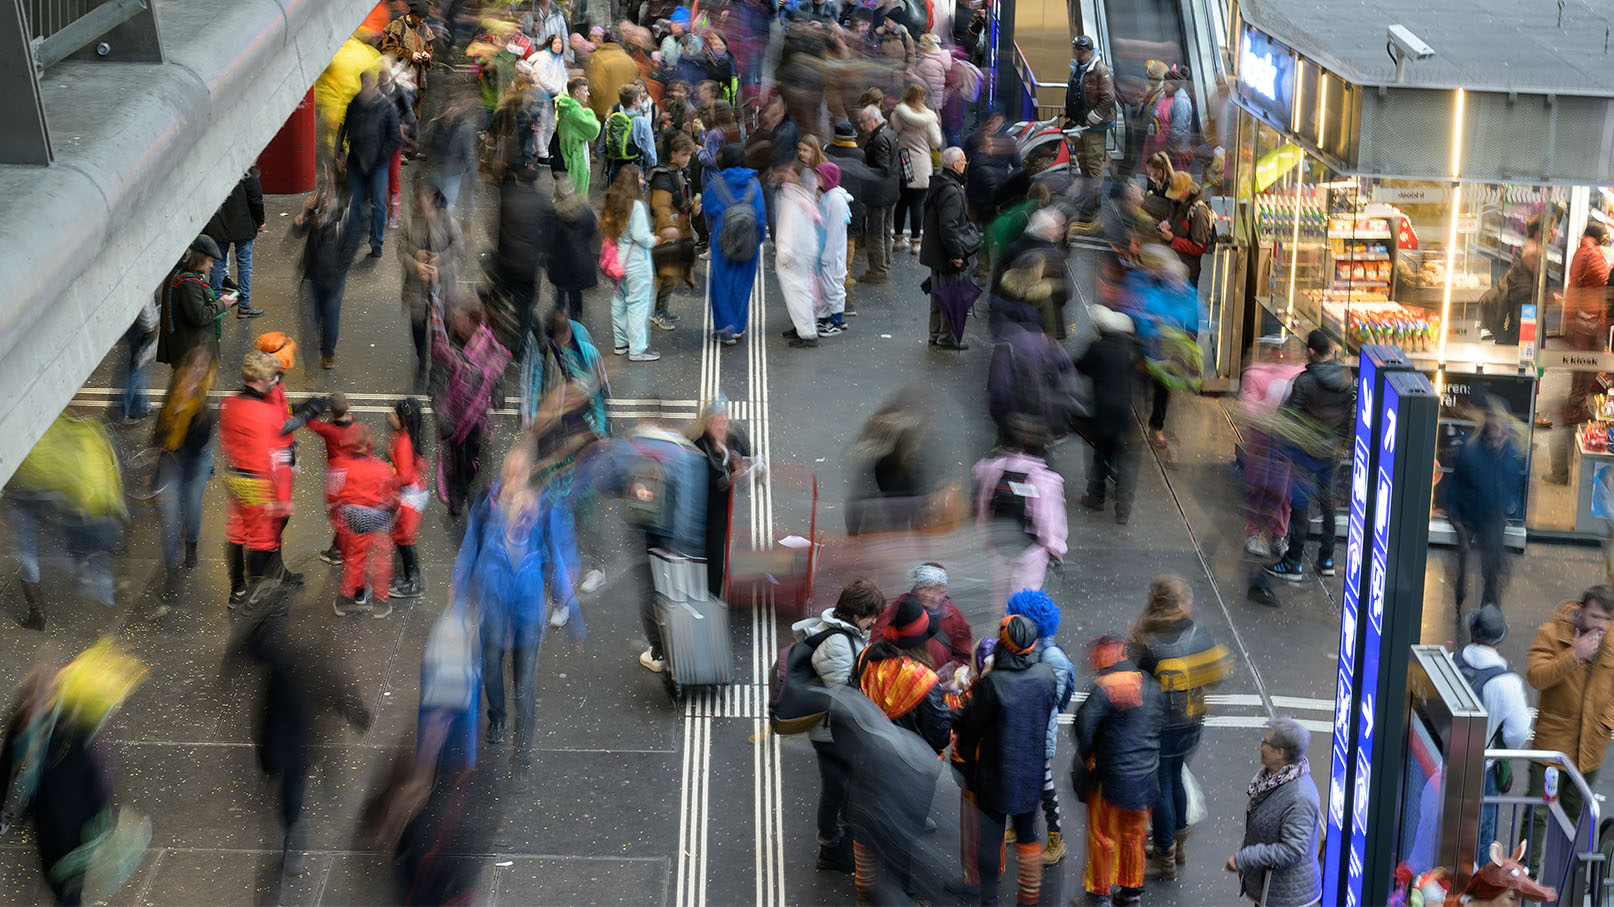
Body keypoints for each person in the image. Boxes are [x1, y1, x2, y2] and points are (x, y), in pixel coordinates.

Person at [227, 604, 372, 878]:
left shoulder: (295, 666)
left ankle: (293, 836)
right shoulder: (297, 662)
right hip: (288, 741)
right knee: (287, 785)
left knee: (290, 794)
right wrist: (356, 713)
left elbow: (334, 687)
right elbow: (336, 687)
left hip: (293, 744)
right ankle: (293, 833)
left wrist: (355, 712)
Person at [454, 447, 576, 758]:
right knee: (492, 666)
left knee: (523, 676)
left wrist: (569, 603)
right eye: (508, 471)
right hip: (494, 605)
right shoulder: (486, 503)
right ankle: (497, 717)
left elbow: (555, 555)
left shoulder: (539, 509)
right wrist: (459, 587)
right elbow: (470, 545)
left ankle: (522, 729)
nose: (511, 478)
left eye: (518, 473)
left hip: (526, 610)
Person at [1130, 574, 1232, 878]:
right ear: (1179, 603)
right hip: (1191, 723)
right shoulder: (1199, 633)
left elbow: (1138, 685)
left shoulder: (1144, 638)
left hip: (1159, 726)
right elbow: (1215, 678)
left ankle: (1165, 856)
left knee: (1160, 787)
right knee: (1176, 778)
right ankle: (1179, 843)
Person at [953, 615, 1058, 906]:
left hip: (994, 772)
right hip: (1031, 771)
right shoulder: (1046, 675)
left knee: (990, 840)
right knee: (1028, 834)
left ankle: (989, 900)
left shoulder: (993, 684)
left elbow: (972, 723)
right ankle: (1028, 898)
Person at [789, 579, 886, 873]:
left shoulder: (845, 634)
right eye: (872, 615)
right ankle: (830, 846)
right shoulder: (836, 644)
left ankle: (842, 832)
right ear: (858, 614)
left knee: (843, 784)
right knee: (834, 787)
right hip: (831, 731)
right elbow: (845, 693)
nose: (874, 621)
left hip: (837, 728)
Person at [218, 351, 329, 604]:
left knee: (237, 532)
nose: (277, 381)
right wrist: (279, 500)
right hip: (259, 481)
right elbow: (270, 455)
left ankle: (238, 589)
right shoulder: (263, 414)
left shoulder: (231, 403)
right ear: (261, 380)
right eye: (273, 378)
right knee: (263, 539)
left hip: (235, 475)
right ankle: (259, 597)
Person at [843, 641, 951, 901]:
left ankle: (864, 888)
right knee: (901, 836)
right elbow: (939, 734)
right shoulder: (922, 680)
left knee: (866, 829)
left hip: (868, 765)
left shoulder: (865, 664)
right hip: (910, 772)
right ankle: (899, 894)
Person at [1524, 585, 1614, 876]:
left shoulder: (1611, 641)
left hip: (1588, 749)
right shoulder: (1552, 633)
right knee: (1537, 814)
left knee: (1575, 816)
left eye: (1608, 620)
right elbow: (1536, 677)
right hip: (1552, 745)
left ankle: (1564, 879)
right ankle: (1528, 875)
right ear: (1581, 610)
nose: (1601, 625)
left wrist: (1606, 723)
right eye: (1596, 617)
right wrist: (1574, 654)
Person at [1073, 634, 1164, 907]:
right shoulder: (1152, 686)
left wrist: (1091, 756)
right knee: (1134, 838)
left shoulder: (1106, 685)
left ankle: (1100, 896)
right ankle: (1130, 894)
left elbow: (1083, 726)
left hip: (1111, 780)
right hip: (1146, 781)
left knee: (1102, 838)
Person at [1264, 329, 1353, 583]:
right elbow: (1349, 419)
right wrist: (1339, 444)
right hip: (1330, 453)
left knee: (1300, 506)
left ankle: (1293, 563)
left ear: (1312, 352)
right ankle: (1326, 559)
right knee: (1327, 505)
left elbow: (1289, 418)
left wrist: (1281, 447)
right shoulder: (1346, 380)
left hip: (1304, 453)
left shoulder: (1304, 381)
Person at [1003, 589, 1077, 866]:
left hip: (1038, 733)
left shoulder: (1053, 657)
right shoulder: (1032, 648)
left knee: (1042, 783)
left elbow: (1051, 700)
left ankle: (1056, 839)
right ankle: (1018, 826)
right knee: (1022, 781)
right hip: (1025, 730)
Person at [1453, 603, 1530, 856]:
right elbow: (1517, 733)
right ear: (1498, 640)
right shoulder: (1507, 683)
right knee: (1482, 838)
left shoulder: (1450, 661)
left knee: (1442, 824)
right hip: (1482, 771)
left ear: (1473, 634)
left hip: (1442, 760)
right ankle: (1476, 891)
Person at [1227, 717, 1322, 907]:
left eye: (1266, 742)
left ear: (1280, 752)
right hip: (1272, 890)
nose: (1261, 745)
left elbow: (1293, 850)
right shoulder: (1274, 778)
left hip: (1287, 898)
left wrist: (1247, 857)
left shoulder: (1300, 798)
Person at [430, 307, 511, 518]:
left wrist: (496, 398)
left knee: (471, 461)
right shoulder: (451, 349)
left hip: (477, 420)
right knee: (457, 461)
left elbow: (497, 378)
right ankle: (457, 496)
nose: (463, 325)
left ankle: (465, 493)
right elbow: (437, 379)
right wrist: (440, 405)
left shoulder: (486, 346)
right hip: (453, 420)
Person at [972, 414, 1068, 594]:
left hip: (999, 545)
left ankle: (1003, 620)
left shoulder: (991, 469)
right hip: (1030, 551)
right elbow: (1046, 520)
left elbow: (984, 505)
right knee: (1025, 596)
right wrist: (1055, 548)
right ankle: (1018, 620)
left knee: (1001, 592)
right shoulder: (1044, 479)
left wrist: (986, 536)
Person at [1447, 401, 1524, 609]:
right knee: (1465, 560)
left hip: (1492, 520)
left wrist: (1510, 506)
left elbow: (1515, 484)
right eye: (1493, 433)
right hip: (1469, 516)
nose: (1497, 440)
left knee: (1492, 571)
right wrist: (1457, 522)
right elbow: (1456, 487)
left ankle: (1487, 611)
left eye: (1501, 434)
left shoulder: (1512, 456)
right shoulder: (1472, 454)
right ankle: (1460, 595)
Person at [152, 346, 217, 583]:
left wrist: (188, 409)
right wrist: (155, 462)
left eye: (203, 366)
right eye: (195, 365)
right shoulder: (175, 389)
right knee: (169, 516)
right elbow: (160, 426)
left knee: (190, 505)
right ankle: (171, 567)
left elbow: (201, 441)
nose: (199, 370)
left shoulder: (203, 405)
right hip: (171, 456)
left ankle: (191, 544)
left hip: (195, 459)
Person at [1078, 304, 1141, 524]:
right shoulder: (1129, 349)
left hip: (1102, 412)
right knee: (1125, 462)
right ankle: (1123, 511)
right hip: (1124, 413)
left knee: (1100, 455)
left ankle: (1096, 496)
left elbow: (1080, 366)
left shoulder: (1097, 348)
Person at [331, 426, 401, 617]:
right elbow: (393, 496)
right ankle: (380, 602)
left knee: (354, 560)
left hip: (351, 519)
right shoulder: (382, 467)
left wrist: (337, 521)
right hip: (377, 519)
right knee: (380, 560)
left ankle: (345, 598)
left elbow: (332, 496)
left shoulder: (339, 466)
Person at [338, 67, 403, 258]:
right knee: (355, 202)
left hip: (378, 164)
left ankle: (377, 242)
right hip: (356, 162)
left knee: (379, 203)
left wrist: (381, 156)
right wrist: (340, 149)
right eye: (362, 82)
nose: (364, 86)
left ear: (374, 83)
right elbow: (344, 127)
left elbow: (394, 137)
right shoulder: (354, 104)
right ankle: (353, 239)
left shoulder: (386, 106)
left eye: (367, 82)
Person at [705, 144, 766, 344]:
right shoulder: (754, 184)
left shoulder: (716, 184)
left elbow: (708, 210)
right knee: (743, 283)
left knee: (722, 284)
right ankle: (739, 327)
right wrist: (759, 240)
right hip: (749, 240)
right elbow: (761, 215)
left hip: (723, 239)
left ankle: (725, 329)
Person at [691, 399, 752, 596]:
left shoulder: (735, 438)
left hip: (722, 509)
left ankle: (712, 593)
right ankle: (707, 593)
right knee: (708, 552)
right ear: (708, 423)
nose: (723, 422)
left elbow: (751, 461)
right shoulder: (699, 447)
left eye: (725, 417)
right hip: (704, 510)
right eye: (718, 419)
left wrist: (743, 470)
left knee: (718, 552)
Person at [602, 165, 661, 361]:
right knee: (638, 305)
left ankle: (621, 344)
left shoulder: (612, 203)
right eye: (640, 178)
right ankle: (638, 349)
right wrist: (655, 239)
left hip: (617, 262)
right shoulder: (636, 206)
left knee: (619, 301)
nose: (643, 182)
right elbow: (641, 236)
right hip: (637, 263)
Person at [919, 146, 976, 349]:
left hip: (934, 251)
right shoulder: (952, 191)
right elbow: (948, 225)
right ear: (955, 165)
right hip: (945, 253)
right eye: (963, 162)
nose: (965, 165)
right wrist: (957, 254)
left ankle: (935, 334)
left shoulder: (939, 183)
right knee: (950, 297)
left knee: (938, 295)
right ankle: (947, 338)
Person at [291, 190, 355, 369]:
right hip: (312, 278)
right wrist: (304, 213)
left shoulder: (343, 222)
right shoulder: (312, 217)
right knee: (313, 318)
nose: (317, 220)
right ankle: (319, 350)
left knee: (331, 317)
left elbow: (349, 251)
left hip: (332, 281)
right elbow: (295, 233)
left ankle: (328, 353)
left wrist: (338, 273)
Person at [871, 563, 975, 674]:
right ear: (916, 589)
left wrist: (953, 673)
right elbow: (877, 649)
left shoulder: (952, 616)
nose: (935, 597)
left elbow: (963, 653)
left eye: (941, 591)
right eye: (929, 590)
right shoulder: (893, 613)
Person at [649, 133, 698, 330]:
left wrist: (692, 206)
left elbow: (680, 199)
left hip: (679, 231)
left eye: (689, 155)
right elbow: (661, 206)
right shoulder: (664, 175)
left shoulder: (679, 172)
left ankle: (661, 310)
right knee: (666, 274)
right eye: (684, 155)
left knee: (673, 274)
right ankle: (657, 312)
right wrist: (668, 225)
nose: (687, 159)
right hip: (667, 234)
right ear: (673, 154)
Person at [156, 237, 229, 369]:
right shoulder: (189, 283)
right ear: (199, 258)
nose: (211, 265)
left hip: (190, 351)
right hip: (192, 353)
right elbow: (200, 315)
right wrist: (222, 304)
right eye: (210, 261)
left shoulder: (180, 275)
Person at [204, 166, 266, 318]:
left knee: (217, 264)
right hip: (243, 225)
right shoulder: (246, 169)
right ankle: (244, 305)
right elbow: (256, 199)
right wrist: (260, 221)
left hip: (217, 224)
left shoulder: (212, 167)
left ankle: (217, 303)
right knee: (244, 264)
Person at [890, 85, 942, 252]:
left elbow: (893, 134)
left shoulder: (897, 115)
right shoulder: (929, 118)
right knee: (917, 204)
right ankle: (916, 242)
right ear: (923, 98)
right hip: (921, 164)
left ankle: (898, 240)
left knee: (902, 202)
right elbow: (936, 143)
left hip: (903, 162)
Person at [777, 167, 824, 348]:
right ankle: (801, 327)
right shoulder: (806, 198)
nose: (785, 176)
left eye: (790, 174)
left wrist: (785, 253)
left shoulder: (792, 200)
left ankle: (807, 333)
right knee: (801, 291)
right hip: (804, 254)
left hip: (793, 257)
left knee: (797, 293)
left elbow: (788, 228)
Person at [388, 397, 429, 600]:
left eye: (395, 415)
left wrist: (388, 476)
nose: (391, 417)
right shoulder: (412, 436)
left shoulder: (403, 441)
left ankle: (413, 582)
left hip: (409, 496)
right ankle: (411, 578)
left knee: (405, 539)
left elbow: (403, 477)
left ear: (403, 419)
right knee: (405, 538)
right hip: (416, 493)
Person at [858, 104, 901, 284]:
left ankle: (878, 270)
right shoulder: (890, 133)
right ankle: (885, 265)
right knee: (885, 231)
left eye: (864, 122)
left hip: (880, 194)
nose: (862, 126)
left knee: (875, 234)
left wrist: (861, 171)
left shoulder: (879, 140)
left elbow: (882, 169)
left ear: (875, 121)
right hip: (891, 192)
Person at [1063, 36, 1117, 178]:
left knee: (1094, 164)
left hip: (1093, 127)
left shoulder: (1100, 70)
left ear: (1085, 51)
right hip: (1079, 124)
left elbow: (1109, 98)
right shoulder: (1078, 67)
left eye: (1077, 50)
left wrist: (1092, 118)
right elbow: (1072, 90)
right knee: (1082, 161)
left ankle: (1094, 200)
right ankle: (1087, 196)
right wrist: (1068, 111)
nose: (1074, 52)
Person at [548, 182, 601, 319]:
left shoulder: (553, 214)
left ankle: (560, 327)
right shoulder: (585, 211)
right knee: (576, 296)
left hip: (559, 263)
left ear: (557, 195)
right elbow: (592, 231)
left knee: (560, 297)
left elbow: (547, 238)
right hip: (579, 263)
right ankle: (576, 325)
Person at [815, 160, 852, 335]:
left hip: (830, 254)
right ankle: (825, 318)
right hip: (824, 252)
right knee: (823, 287)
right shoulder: (827, 196)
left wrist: (827, 255)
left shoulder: (836, 200)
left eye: (819, 176)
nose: (817, 179)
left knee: (832, 287)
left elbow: (835, 231)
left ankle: (836, 321)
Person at [1157, 172, 1212, 287]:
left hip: (1187, 273)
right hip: (1172, 265)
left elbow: (1199, 247)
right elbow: (1172, 217)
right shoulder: (1177, 201)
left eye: (1176, 193)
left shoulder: (1199, 213)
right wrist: (1167, 222)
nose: (1173, 196)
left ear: (1186, 191)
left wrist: (1173, 240)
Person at [380, 0, 433, 117]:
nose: (422, 20)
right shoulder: (397, 26)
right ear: (413, 14)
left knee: (414, 113)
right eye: (420, 17)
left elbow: (429, 47)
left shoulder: (423, 28)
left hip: (418, 78)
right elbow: (387, 48)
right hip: (400, 79)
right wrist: (410, 55)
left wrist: (426, 54)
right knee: (398, 111)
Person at [555, 77, 602, 195]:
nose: (588, 94)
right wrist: (589, 113)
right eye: (585, 91)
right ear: (577, 92)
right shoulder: (574, 113)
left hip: (565, 157)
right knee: (575, 200)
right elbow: (593, 131)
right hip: (574, 162)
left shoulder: (565, 108)